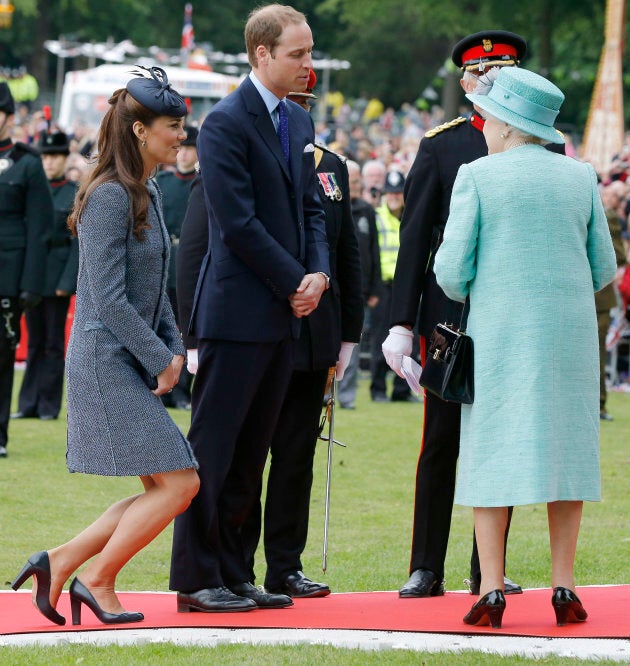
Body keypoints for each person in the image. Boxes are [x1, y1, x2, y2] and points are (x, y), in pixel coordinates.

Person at [11, 66, 200, 627]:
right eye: (173, 125)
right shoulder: (110, 195)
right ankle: (96, 579)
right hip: (101, 360)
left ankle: (61, 560)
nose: (181, 135)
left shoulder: (147, 190)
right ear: (140, 130)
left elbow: (157, 286)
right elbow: (110, 299)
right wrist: (159, 357)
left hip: (127, 357)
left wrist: (173, 348)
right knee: (180, 483)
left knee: (162, 484)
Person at [434, 66, 617, 628]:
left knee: (490, 456)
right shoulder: (581, 177)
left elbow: (450, 271)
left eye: (489, 120)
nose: (483, 128)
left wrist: (487, 286)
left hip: (501, 337)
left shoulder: (478, 176)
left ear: (510, 127)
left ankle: (491, 588)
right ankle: (564, 586)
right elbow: (604, 268)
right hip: (568, 339)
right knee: (568, 458)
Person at [169, 4, 330, 613]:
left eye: (309, 51)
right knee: (214, 450)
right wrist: (295, 279)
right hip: (235, 314)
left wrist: (316, 274)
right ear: (261, 54)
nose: (307, 64)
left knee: (252, 453)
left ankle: (235, 572)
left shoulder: (296, 121)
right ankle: (196, 577)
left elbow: (312, 210)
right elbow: (235, 223)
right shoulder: (224, 124)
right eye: (297, 53)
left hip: (282, 314)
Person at [382, 31, 528, 598]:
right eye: (482, 74)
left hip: (512, 310)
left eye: (503, 71)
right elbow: (415, 240)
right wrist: (400, 323)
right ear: (466, 83)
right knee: (441, 439)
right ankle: (426, 565)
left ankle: (487, 568)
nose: (491, 81)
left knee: (503, 439)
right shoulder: (441, 146)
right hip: (450, 317)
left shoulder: (540, 145)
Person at [241, 74, 364, 598]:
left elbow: (346, 255)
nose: (296, 111)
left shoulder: (331, 167)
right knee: (248, 456)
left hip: (314, 334)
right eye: (289, 102)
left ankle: (285, 565)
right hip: (261, 328)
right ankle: (236, 567)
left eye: (303, 103)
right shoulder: (244, 147)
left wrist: (348, 334)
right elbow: (207, 239)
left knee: (296, 457)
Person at [0, 81, 52, 458]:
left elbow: (40, 229)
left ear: (8, 117)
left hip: (8, 273)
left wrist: (30, 284)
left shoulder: (28, 162)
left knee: (2, 356)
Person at [13, 131, 79, 422]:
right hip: (35, 275)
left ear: (65, 159)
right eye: (46, 157)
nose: (49, 162)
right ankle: (28, 403)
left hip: (57, 276)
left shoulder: (75, 192)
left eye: (55, 157)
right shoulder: (33, 188)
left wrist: (68, 282)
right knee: (34, 342)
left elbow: (78, 244)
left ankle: (48, 405)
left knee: (53, 343)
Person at [156, 125, 199, 410]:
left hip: (190, 267)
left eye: (190, 149)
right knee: (162, 330)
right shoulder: (161, 182)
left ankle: (182, 389)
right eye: (180, 148)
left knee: (186, 333)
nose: (183, 155)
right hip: (166, 266)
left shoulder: (203, 183)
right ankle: (161, 384)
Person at [337, 159, 382, 410]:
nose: (355, 185)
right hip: (333, 289)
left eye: (357, 181)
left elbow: (374, 251)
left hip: (360, 292)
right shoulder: (330, 206)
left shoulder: (366, 211)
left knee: (352, 344)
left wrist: (374, 288)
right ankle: (325, 393)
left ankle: (347, 396)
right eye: (351, 180)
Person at [371, 170, 418, 403]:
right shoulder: (376, 217)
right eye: (390, 193)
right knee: (381, 339)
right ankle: (378, 389)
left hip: (406, 287)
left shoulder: (412, 214)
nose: (394, 196)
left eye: (398, 192)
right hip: (383, 287)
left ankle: (402, 390)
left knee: (409, 339)